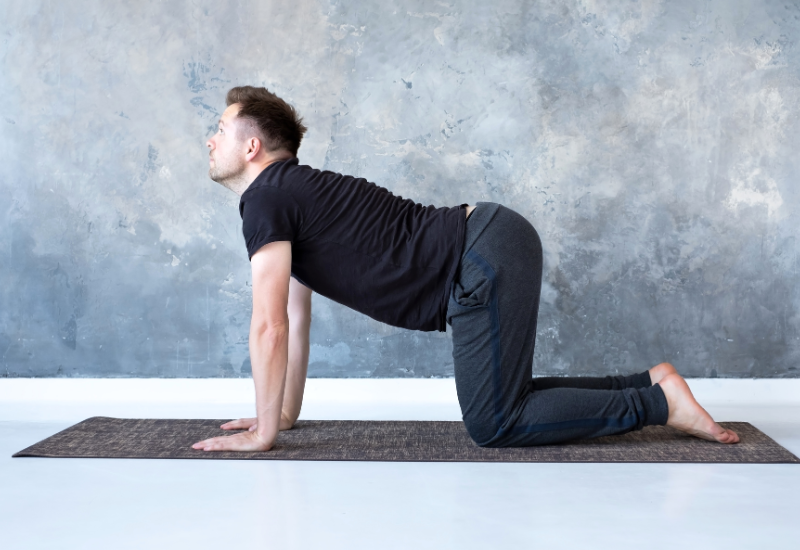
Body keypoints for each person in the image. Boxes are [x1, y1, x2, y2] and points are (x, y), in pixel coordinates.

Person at [192, 86, 739, 452]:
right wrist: (280, 418)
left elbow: (269, 327)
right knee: (508, 396)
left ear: (253, 146)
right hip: (490, 242)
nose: (211, 138)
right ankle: (650, 383)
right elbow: (293, 313)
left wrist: (261, 435)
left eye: (220, 127)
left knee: (495, 422)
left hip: (480, 257)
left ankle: (658, 404)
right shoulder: (293, 195)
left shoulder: (267, 199)